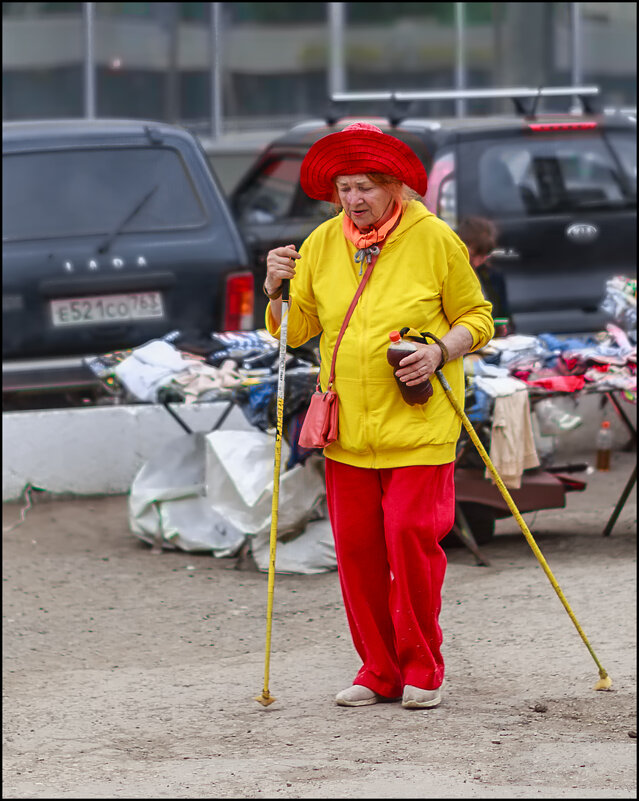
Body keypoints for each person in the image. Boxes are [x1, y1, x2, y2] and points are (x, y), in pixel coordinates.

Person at [263, 122, 494, 710]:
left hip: (419, 427)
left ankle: (422, 667)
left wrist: (441, 350)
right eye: (344, 188)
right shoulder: (319, 244)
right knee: (359, 551)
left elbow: (479, 317)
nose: (353, 200)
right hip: (347, 430)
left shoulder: (436, 239)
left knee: (410, 540)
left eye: (365, 187)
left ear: (396, 188)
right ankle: (378, 670)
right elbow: (299, 331)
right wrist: (275, 291)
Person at [456, 216, 512, 334]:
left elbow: (504, 316)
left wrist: (502, 326)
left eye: (484, 256)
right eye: (473, 255)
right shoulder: (451, 275)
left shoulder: (493, 277)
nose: (477, 262)